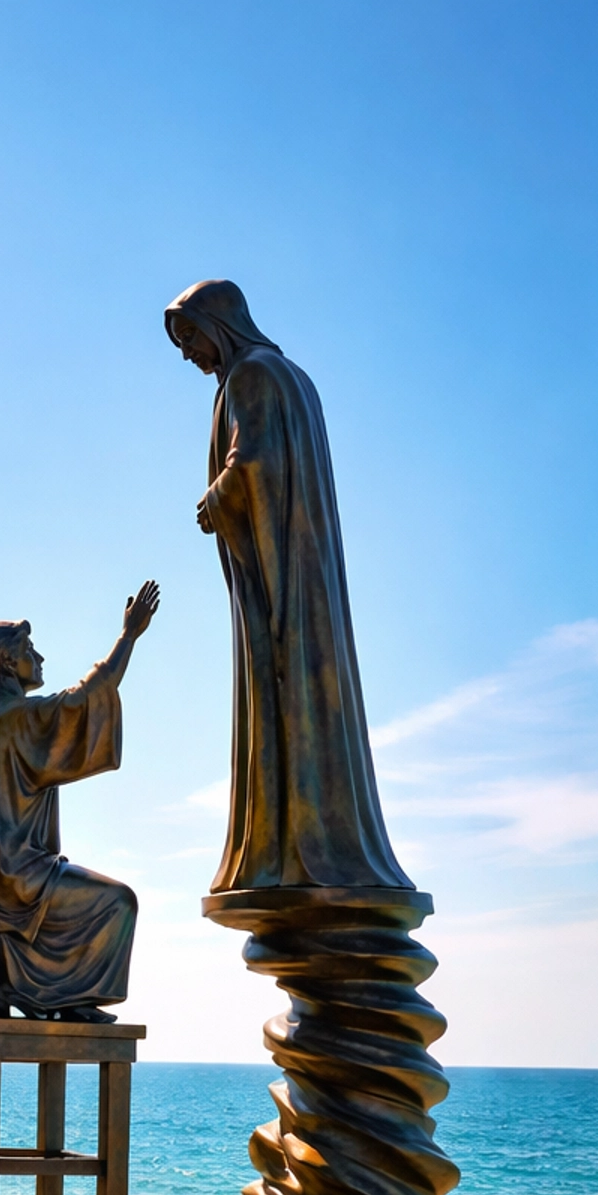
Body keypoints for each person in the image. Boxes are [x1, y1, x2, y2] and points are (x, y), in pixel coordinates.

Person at [164, 279, 408, 892]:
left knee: (289, 695)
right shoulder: (293, 377)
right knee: (314, 705)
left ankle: (292, 854)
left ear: (220, 323)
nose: (186, 353)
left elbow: (257, 464)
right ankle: (320, 843)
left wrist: (216, 499)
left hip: (286, 588)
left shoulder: (252, 377)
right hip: (311, 577)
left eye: (189, 335)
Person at [0, 585, 158, 1047]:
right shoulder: (13, 719)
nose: (38, 657)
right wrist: (128, 637)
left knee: (104, 900)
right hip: (10, 877)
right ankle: (60, 994)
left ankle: (41, 990)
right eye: (27, 650)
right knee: (119, 904)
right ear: (5, 664)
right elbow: (81, 700)